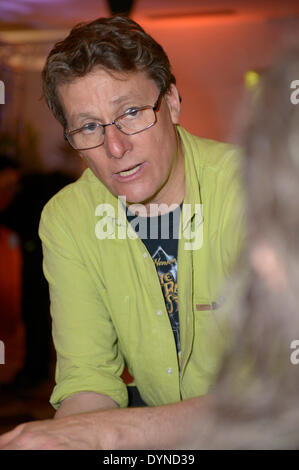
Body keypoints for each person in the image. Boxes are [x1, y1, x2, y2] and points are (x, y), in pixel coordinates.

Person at [0, 15, 244, 449]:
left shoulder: (257, 189)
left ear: (170, 102)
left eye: (130, 113)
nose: (115, 148)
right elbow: (88, 379)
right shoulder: (68, 218)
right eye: (90, 126)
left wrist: (111, 432)